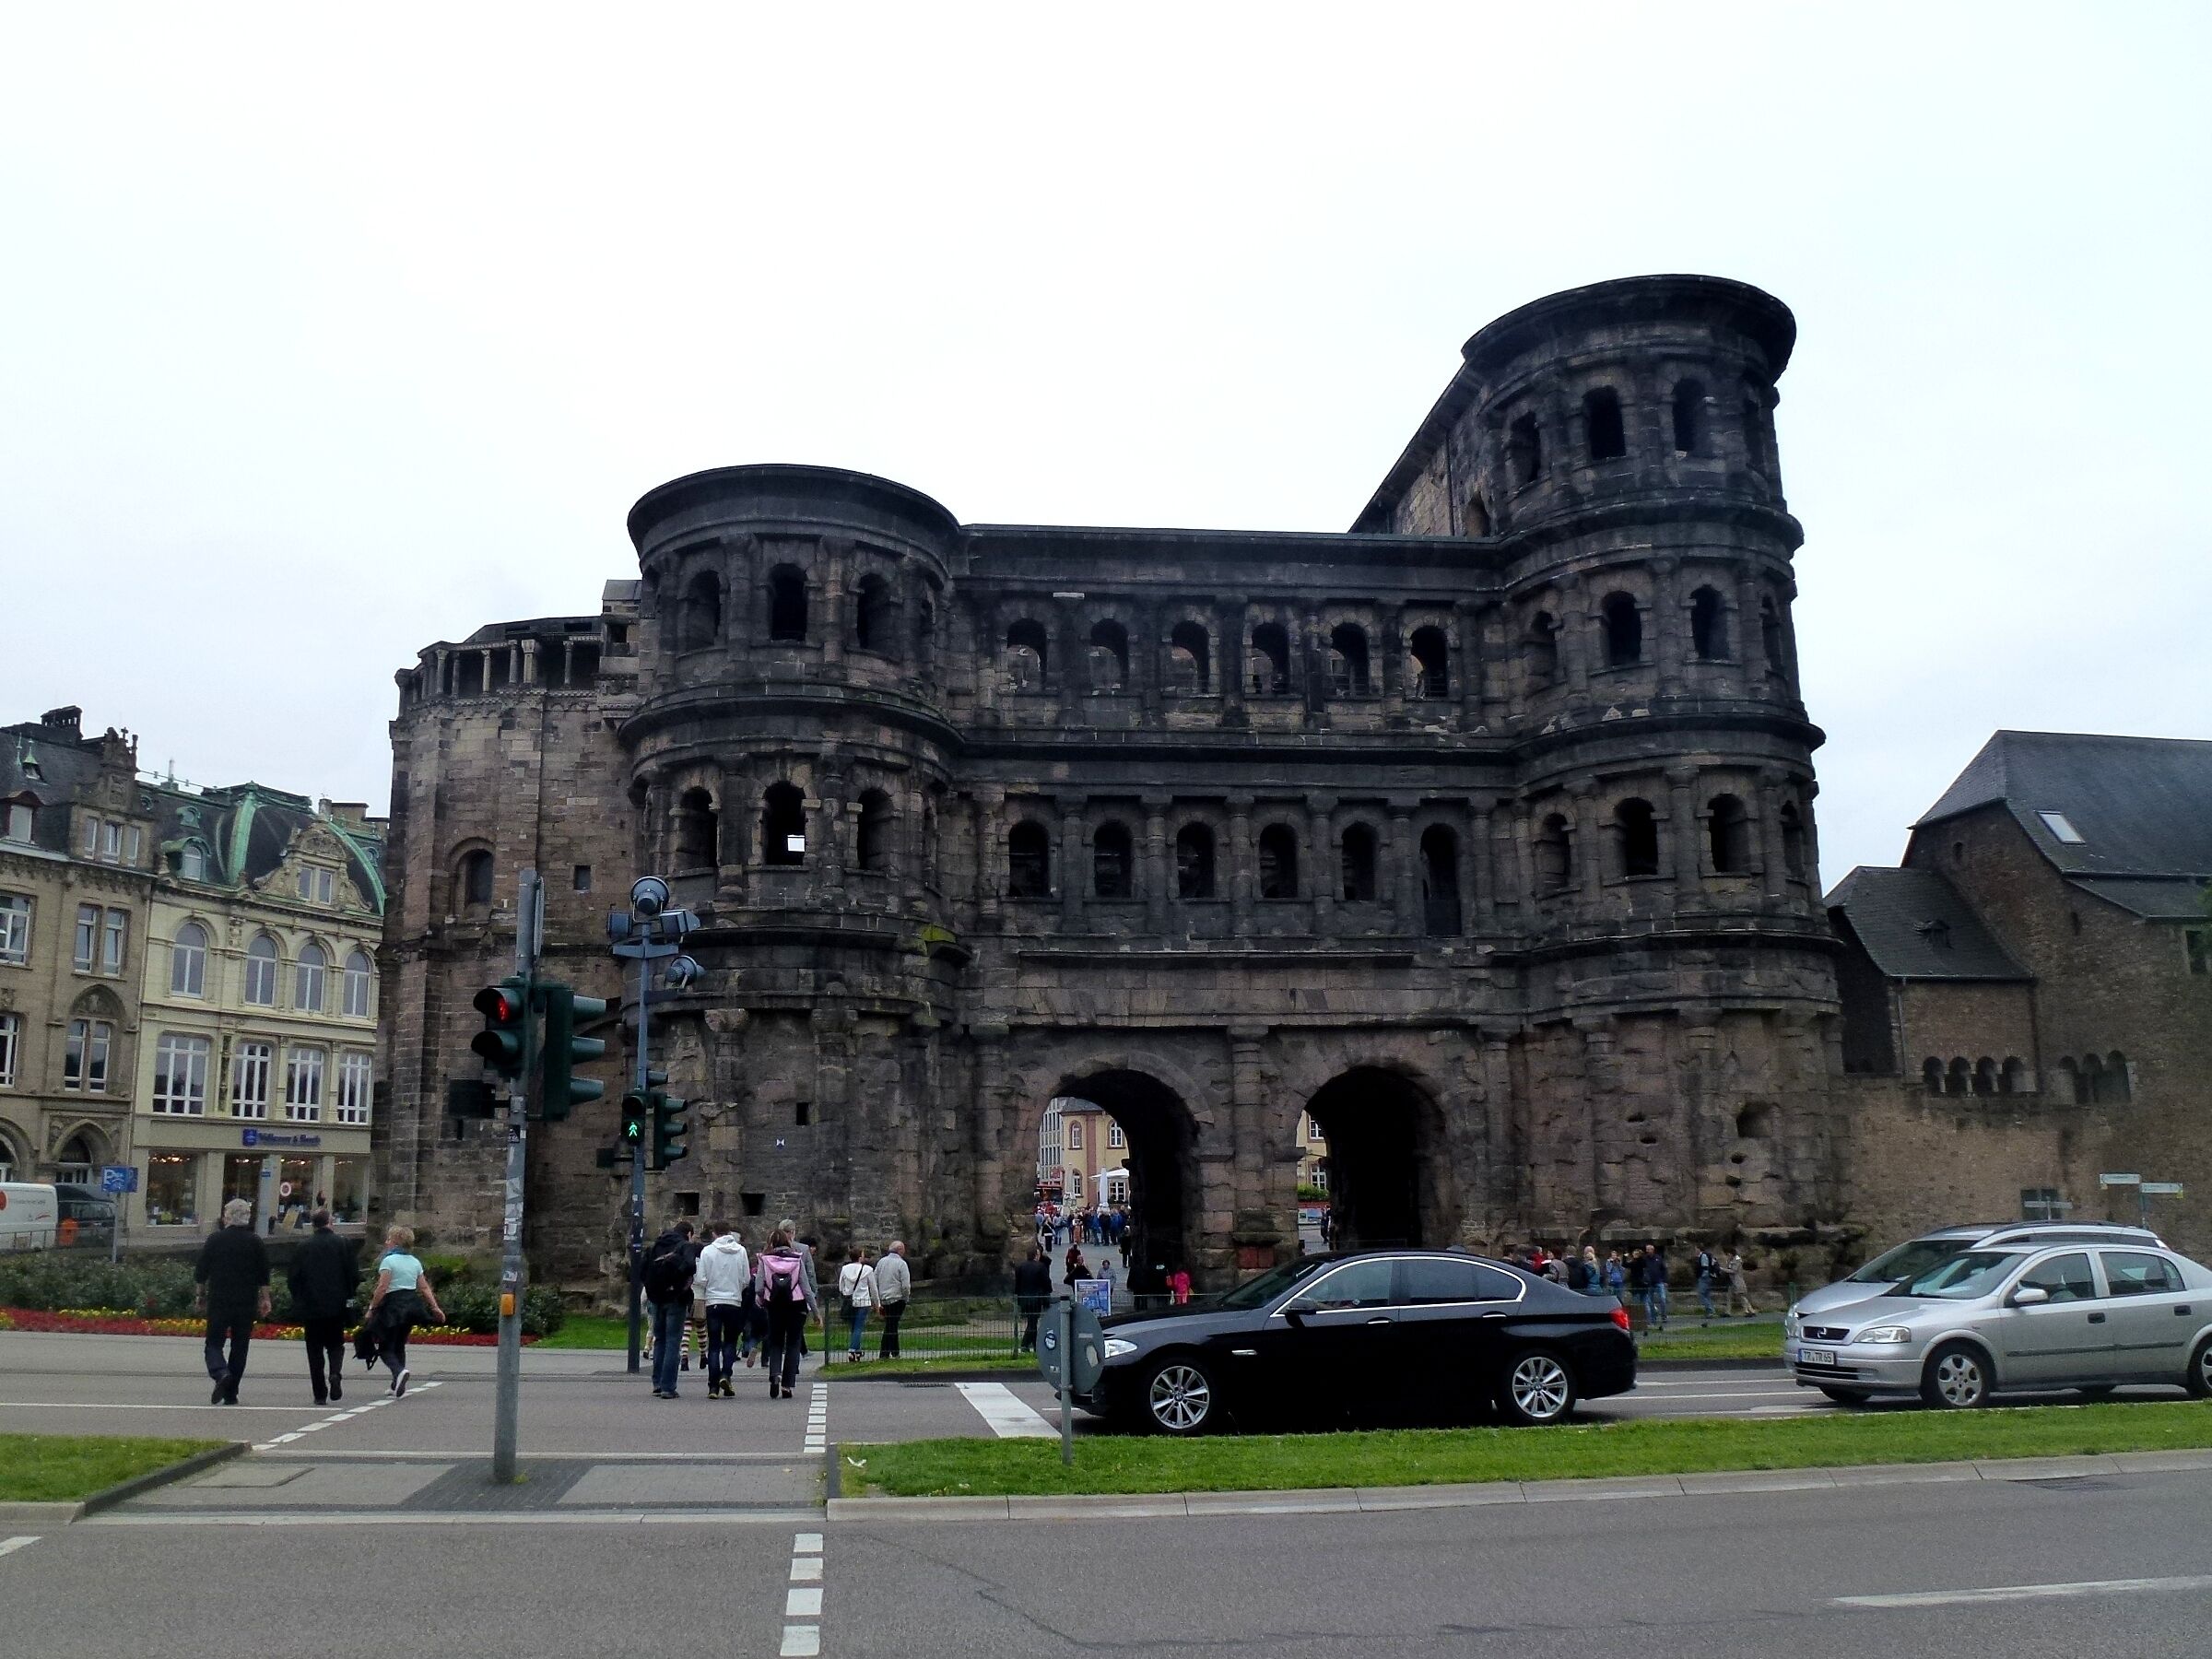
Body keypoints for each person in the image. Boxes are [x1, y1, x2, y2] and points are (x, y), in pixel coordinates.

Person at [194, 1197, 271, 1404]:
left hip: (220, 1298)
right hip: (245, 1301)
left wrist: (200, 1295)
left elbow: (201, 1272)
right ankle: (231, 1392)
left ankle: (220, 1373)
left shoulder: (215, 1240)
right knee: (240, 1346)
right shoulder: (255, 1241)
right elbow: (264, 1274)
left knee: (213, 1343)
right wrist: (265, 1299)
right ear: (247, 1217)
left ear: (227, 1217)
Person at [288, 1207, 359, 1405]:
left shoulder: (303, 1246)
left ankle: (320, 1393)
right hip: (337, 1305)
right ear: (329, 1222)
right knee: (336, 1344)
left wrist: (299, 1298)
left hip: (311, 1306)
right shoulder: (343, 1244)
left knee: (314, 1349)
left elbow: (293, 1277)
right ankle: (335, 1373)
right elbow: (354, 1275)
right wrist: (349, 1296)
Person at [364, 1224, 445, 1397]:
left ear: (396, 1242)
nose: (386, 1242)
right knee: (399, 1344)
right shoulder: (414, 1262)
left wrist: (372, 1307)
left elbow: (382, 1287)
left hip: (393, 1305)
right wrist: (435, 1307)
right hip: (411, 1305)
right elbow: (424, 1288)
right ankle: (397, 1384)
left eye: (389, 1239)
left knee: (385, 1346)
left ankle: (398, 1371)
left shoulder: (388, 1261)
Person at [755, 1227, 818, 1398]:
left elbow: (759, 1286)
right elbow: (806, 1288)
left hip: (774, 1305)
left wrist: (761, 1299)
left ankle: (775, 1374)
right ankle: (787, 1385)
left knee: (775, 1341)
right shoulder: (796, 1260)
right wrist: (816, 1312)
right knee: (793, 1343)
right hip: (796, 1305)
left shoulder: (764, 1260)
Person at [694, 1220, 751, 1398]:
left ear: (714, 1233)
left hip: (713, 1301)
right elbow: (746, 1279)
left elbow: (701, 1279)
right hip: (734, 1301)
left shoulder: (708, 1251)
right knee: (731, 1342)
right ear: (729, 1232)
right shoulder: (740, 1251)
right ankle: (726, 1374)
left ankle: (713, 1386)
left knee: (714, 1345)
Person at [643, 1219, 698, 1398]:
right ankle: (668, 1387)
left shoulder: (655, 1246)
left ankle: (657, 1383)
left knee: (660, 1340)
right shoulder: (684, 1246)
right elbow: (690, 1266)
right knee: (673, 1341)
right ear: (689, 1233)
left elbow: (642, 1271)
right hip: (676, 1297)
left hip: (656, 1298)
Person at [837, 1247, 877, 1362]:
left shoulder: (844, 1269)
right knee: (859, 1327)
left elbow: (841, 1287)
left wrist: (847, 1292)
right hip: (863, 1301)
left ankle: (857, 1350)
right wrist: (877, 1303)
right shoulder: (868, 1269)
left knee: (854, 1327)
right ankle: (852, 1350)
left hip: (850, 1301)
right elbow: (873, 1288)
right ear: (860, 1257)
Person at [874, 1240, 912, 1360]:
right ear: (899, 1250)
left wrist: (877, 1298)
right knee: (891, 1326)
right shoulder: (901, 1264)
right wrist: (905, 1298)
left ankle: (895, 1352)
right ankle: (884, 1353)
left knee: (892, 1324)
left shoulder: (881, 1262)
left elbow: (875, 1280)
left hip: (884, 1298)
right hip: (897, 1298)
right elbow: (906, 1285)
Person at [1013, 1245, 1053, 1351]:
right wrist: (1047, 1292)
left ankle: (1035, 1345)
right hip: (1036, 1298)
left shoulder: (1020, 1267)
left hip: (1024, 1298)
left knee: (1032, 1322)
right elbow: (1047, 1283)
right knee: (1033, 1322)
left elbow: (1017, 1284)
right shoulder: (1040, 1267)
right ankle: (1025, 1344)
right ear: (1036, 1255)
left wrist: (1018, 1296)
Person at [1641, 1241, 1670, 1332]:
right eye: (1647, 1250)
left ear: (1653, 1250)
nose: (1648, 1251)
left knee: (1662, 1298)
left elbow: (1664, 1269)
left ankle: (1664, 1316)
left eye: (1649, 1249)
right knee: (1650, 1302)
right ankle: (1653, 1318)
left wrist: (1665, 1280)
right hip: (1649, 1283)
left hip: (1659, 1281)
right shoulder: (1644, 1259)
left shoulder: (1658, 1258)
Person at [1725, 1247, 1756, 1317]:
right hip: (1732, 1281)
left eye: (1728, 1254)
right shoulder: (1730, 1260)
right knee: (1729, 1296)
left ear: (1731, 1253)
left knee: (1741, 1296)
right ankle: (1728, 1312)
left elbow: (1734, 1270)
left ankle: (1749, 1310)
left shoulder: (1737, 1260)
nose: (1727, 1255)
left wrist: (1722, 1269)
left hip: (1737, 1281)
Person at [1694, 1245, 1720, 1318]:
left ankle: (1710, 1309)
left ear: (1699, 1249)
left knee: (1701, 1294)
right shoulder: (1703, 1256)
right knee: (1707, 1295)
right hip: (1708, 1277)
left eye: (1696, 1249)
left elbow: (1705, 1267)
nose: (1695, 1251)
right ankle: (1711, 1311)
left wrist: (1702, 1276)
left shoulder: (1703, 1256)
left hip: (1705, 1278)